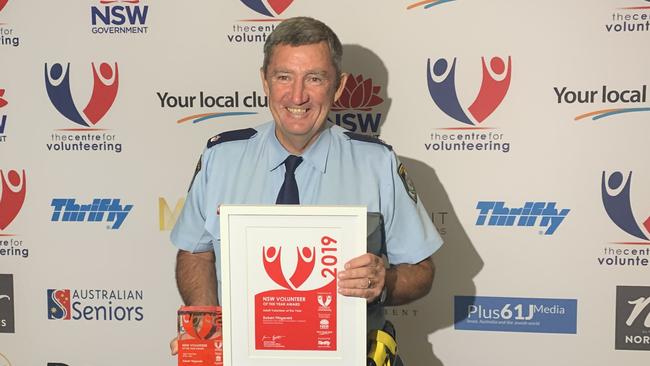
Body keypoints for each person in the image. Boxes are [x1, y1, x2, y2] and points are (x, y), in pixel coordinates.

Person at [170, 16, 442, 357]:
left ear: (338, 87)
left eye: (314, 78)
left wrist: (383, 282)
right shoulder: (220, 158)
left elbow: (422, 270)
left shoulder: (377, 164)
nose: (297, 96)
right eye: (284, 76)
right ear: (265, 82)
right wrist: (208, 326)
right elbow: (195, 252)